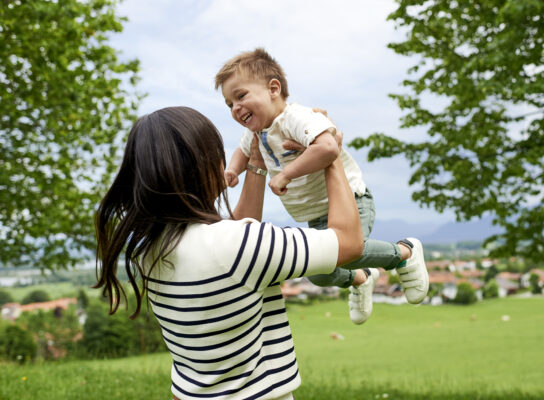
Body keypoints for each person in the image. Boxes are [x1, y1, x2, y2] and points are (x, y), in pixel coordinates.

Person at [94, 106, 364, 400]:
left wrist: (257, 163)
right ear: (204, 166)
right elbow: (348, 242)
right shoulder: (239, 246)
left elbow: (233, 250)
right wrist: (330, 156)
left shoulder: (150, 250)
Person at [214, 48, 429, 324]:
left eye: (241, 95)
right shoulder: (255, 134)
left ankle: (405, 252)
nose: (235, 108)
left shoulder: (296, 118)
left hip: (350, 200)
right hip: (316, 216)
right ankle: (362, 278)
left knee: (348, 251)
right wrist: (232, 171)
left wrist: (285, 175)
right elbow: (243, 152)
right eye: (229, 104)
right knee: (318, 272)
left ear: (273, 88)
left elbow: (328, 147)